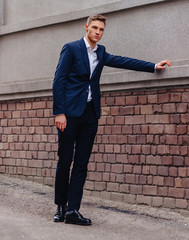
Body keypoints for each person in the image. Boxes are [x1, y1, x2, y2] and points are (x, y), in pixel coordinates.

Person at [52, 14, 171, 225]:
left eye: (101, 30)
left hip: (90, 114)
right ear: (86, 27)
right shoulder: (71, 49)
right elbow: (59, 81)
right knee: (64, 161)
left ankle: (72, 210)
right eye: (95, 28)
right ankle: (61, 206)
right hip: (69, 114)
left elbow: (123, 61)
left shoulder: (102, 52)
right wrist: (59, 113)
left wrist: (153, 66)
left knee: (81, 164)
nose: (98, 32)